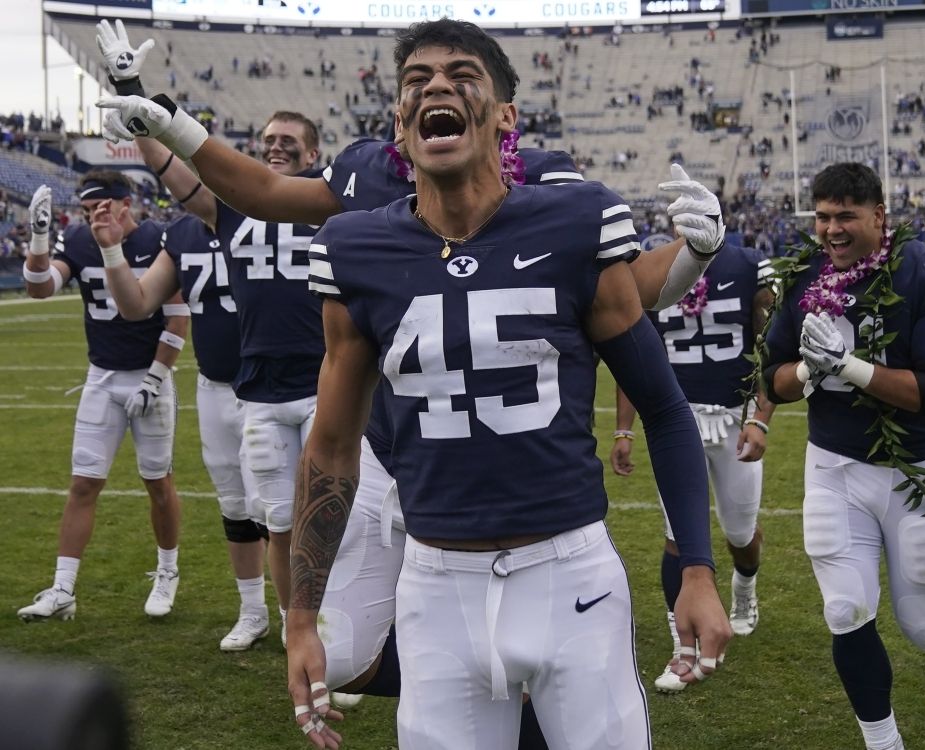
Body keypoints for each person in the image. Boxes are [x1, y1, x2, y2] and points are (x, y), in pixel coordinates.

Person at [292, 18, 730, 749]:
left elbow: (661, 405)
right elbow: (333, 446)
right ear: (399, 123)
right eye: (416, 81)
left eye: (463, 76)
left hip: (570, 576)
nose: (436, 86)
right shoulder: (355, 248)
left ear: (504, 117)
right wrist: (303, 617)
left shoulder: (575, 220)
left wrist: (696, 567)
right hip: (435, 585)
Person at [763, 162, 925, 749]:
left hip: (914, 468)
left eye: (846, 216)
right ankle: (883, 740)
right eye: (823, 216)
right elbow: (772, 380)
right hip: (835, 467)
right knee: (844, 610)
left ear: (879, 217)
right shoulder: (801, 275)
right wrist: (808, 372)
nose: (832, 229)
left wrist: (848, 365)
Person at [93, 207, 271, 652]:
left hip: (272, 385)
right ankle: (253, 611)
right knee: (234, 505)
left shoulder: (269, 217)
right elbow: (135, 305)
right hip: (213, 384)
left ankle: (300, 616)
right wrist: (112, 248)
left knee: (274, 509)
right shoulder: (182, 234)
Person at [17, 173, 187, 622]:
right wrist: (38, 239)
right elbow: (40, 288)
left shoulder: (157, 239)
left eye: (102, 207)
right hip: (102, 376)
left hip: (149, 375)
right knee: (83, 482)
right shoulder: (78, 239)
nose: (95, 216)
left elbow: (176, 316)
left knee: (158, 482)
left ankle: (168, 571)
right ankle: (63, 588)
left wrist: (155, 377)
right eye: (88, 209)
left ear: (126, 204)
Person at [611, 241, 775, 693]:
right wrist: (624, 430)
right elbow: (632, 357)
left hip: (733, 419)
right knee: (677, 533)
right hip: (674, 421)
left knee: (741, 532)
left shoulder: (747, 266)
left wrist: (760, 418)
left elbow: (771, 348)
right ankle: (681, 641)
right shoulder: (650, 268)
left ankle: (744, 585)